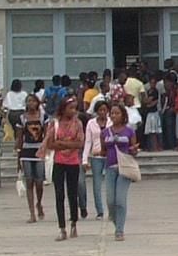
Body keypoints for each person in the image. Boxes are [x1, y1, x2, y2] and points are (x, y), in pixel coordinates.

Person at [42, 93, 86, 241]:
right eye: (70, 108)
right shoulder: (54, 123)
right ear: (63, 108)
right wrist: (67, 144)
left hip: (73, 162)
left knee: (72, 194)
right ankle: (62, 228)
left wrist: (63, 144)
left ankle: (74, 222)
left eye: (75, 108)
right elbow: (50, 143)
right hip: (59, 162)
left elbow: (80, 143)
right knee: (59, 195)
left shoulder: (78, 123)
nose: (73, 111)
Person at [103, 102, 140, 241]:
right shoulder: (105, 132)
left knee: (120, 200)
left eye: (117, 113)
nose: (114, 115)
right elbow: (103, 150)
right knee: (110, 200)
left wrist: (134, 150)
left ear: (123, 115)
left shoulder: (129, 131)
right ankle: (115, 219)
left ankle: (119, 230)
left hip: (124, 168)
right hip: (110, 167)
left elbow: (133, 149)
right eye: (112, 113)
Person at [15, 96, 47, 223]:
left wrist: (46, 150)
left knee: (39, 181)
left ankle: (39, 203)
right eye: (29, 101)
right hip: (26, 151)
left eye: (33, 101)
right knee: (29, 181)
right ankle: (32, 213)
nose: (31, 103)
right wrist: (18, 155)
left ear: (37, 103)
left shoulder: (43, 117)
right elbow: (19, 137)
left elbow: (47, 135)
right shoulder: (22, 118)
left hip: (39, 150)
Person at [81, 99, 111, 220]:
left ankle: (111, 209)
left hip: (110, 156)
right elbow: (88, 142)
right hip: (96, 157)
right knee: (96, 185)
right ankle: (100, 211)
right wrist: (84, 159)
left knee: (110, 184)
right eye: (100, 110)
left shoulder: (111, 122)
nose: (103, 112)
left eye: (105, 110)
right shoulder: (91, 123)